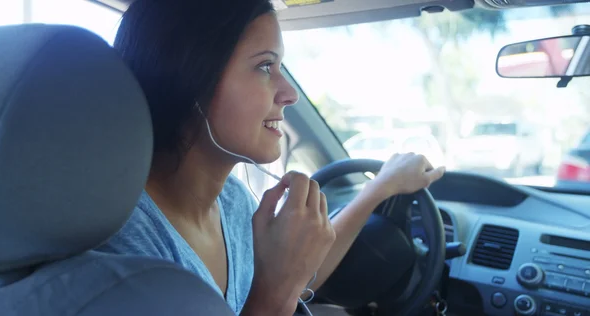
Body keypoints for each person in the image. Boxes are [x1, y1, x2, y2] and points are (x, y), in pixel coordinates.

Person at [97, 0, 445, 315]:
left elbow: (298, 273)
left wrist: (380, 188)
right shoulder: (127, 244)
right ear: (191, 75)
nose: (290, 93)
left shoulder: (230, 200)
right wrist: (272, 294)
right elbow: (277, 286)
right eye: (265, 66)